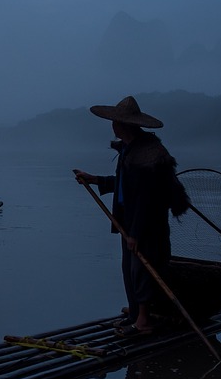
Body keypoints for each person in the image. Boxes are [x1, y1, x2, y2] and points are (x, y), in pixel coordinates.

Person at [72, 96, 185, 337]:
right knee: (130, 270)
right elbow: (127, 185)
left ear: (123, 125)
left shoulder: (148, 153)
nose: (113, 126)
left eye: (115, 122)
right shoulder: (131, 150)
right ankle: (137, 315)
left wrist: (135, 233)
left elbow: (145, 198)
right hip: (131, 222)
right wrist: (95, 180)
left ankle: (143, 321)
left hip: (147, 225)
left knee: (141, 270)